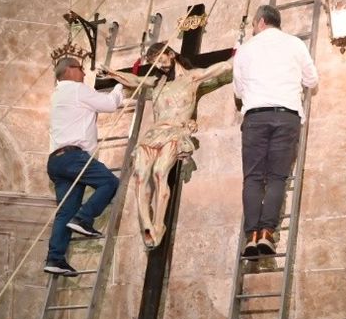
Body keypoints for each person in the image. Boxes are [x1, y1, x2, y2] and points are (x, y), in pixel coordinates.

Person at [102, 44, 233, 249]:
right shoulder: (157, 83)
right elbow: (135, 80)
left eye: (161, 59)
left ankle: (158, 224)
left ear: (171, 54)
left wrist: (239, 56)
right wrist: (112, 72)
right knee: (140, 173)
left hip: (175, 130)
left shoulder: (192, 77)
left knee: (160, 171)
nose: (159, 66)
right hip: (154, 133)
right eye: (154, 63)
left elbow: (222, 68)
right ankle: (146, 223)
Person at [231, 3, 319, 260]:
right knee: (277, 178)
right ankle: (268, 233)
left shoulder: (245, 50)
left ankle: (251, 237)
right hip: (286, 116)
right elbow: (312, 81)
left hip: (256, 117)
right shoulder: (296, 44)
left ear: (259, 22)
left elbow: (237, 90)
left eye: (253, 27)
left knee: (254, 178)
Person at [45, 55, 125, 277]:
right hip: (73, 157)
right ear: (70, 70)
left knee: (65, 211)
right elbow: (110, 104)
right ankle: (84, 218)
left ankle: (55, 259)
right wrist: (119, 84)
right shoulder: (77, 89)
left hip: (56, 162)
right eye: (81, 68)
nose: (84, 73)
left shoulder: (58, 94)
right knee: (110, 182)